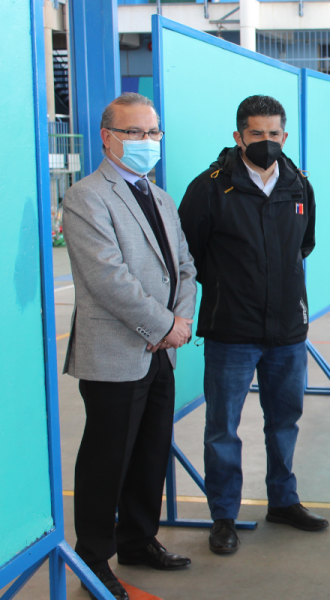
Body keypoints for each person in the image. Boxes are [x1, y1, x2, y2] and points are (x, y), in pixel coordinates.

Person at [62, 92, 197, 600]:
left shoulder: (159, 196)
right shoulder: (86, 197)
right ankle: (94, 560)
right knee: (107, 460)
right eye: (135, 133)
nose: (147, 142)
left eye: (153, 132)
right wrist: (162, 325)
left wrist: (178, 321)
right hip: (117, 353)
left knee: (150, 452)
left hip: (163, 348)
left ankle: (139, 540)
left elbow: (184, 266)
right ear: (107, 137)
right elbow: (108, 280)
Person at [178, 95, 325, 556]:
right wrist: (232, 285)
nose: (267, 142)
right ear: (239, 136)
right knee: (223, 427)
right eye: (257, 134)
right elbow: (191, 255)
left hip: (287, 332)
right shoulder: (209, 187)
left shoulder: (299, 185)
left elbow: (305, 245)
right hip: (231, 332)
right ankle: (223, 515)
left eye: (274, 134)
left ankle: (283, 500)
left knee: (285, 422)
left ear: (285, 136)